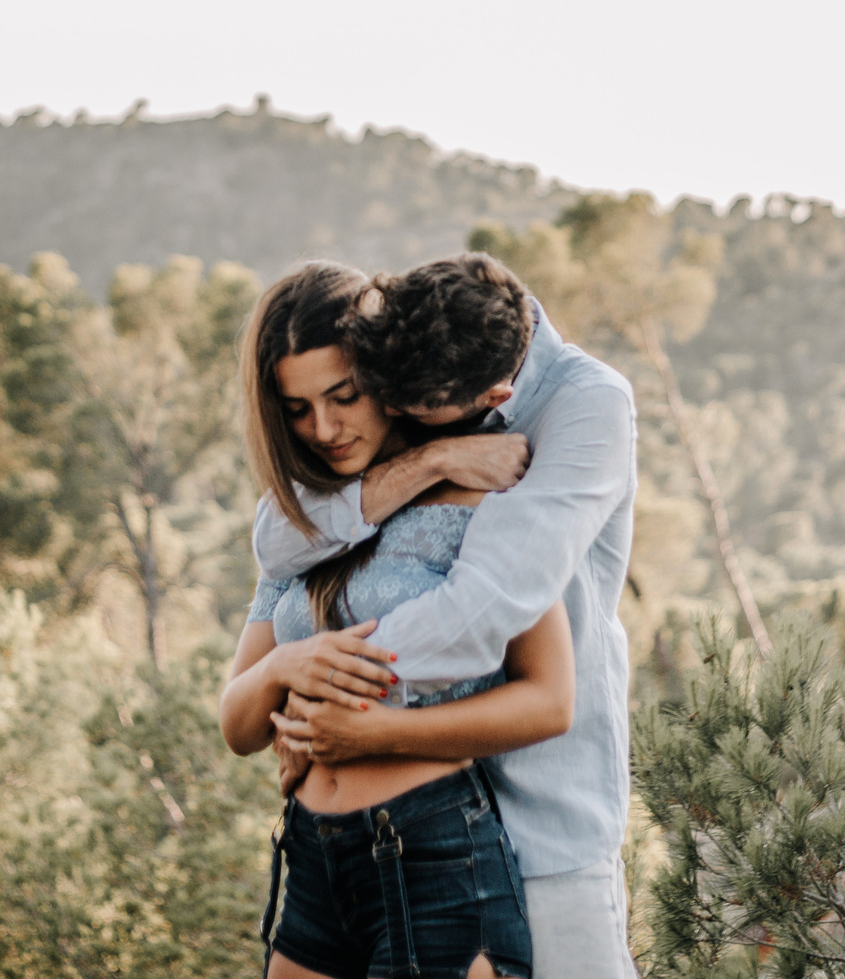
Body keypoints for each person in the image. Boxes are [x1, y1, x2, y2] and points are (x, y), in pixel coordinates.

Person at [254, 254, 639, 979]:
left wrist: (328, 697)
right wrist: (431, 461)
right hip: (416, 829)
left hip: (544, 815)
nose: (386, 421)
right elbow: (277, 541)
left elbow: (485, 606)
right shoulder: (425, 347)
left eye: (406, 413)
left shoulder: (586, 406)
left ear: (494, 396)